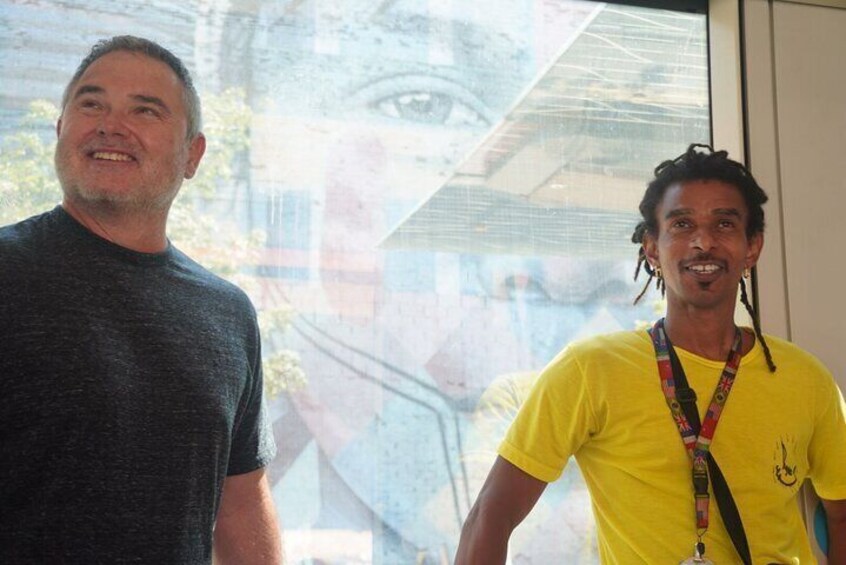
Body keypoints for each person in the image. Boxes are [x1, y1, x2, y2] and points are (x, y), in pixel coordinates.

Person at [455, 144, 846, 564]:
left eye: (724, 223)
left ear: (752, 247)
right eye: (682, 224)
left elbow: (841, 515)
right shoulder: (590, 371)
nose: (703, 241)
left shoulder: (805, 379)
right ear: (652, 248)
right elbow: (490, 516)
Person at [0, 36, 282, 564]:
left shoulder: (229, 314)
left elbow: (242, 503)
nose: (110, 125)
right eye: (91, 104)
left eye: (145, 110)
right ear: (60, 131)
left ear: (192, 154)